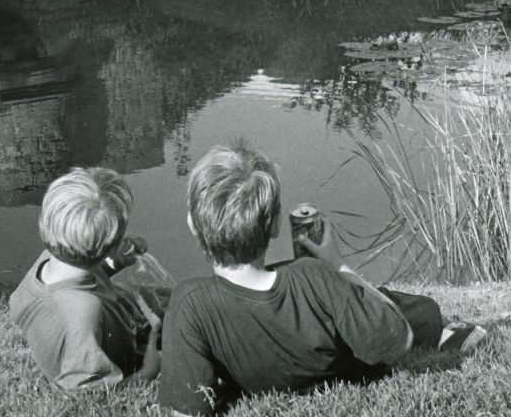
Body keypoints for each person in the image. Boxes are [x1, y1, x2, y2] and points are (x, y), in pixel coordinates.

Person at [159, 141, 486, 415]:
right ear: (274, 226)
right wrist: (337, 264)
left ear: (192, 224)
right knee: (416, 308)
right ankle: (443, 333)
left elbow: (185, 409)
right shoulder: (315, 276)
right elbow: (396, 339)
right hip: (345, 364)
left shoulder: (190, 303)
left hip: (253, 368)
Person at [9, 166, 161, 391]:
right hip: (131, 349)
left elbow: (77, 282)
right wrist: (149, 370)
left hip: (108, 323)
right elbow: (87, 394)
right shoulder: (83, 312)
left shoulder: (48, 262)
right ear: (106, 247)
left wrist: (113, 261)